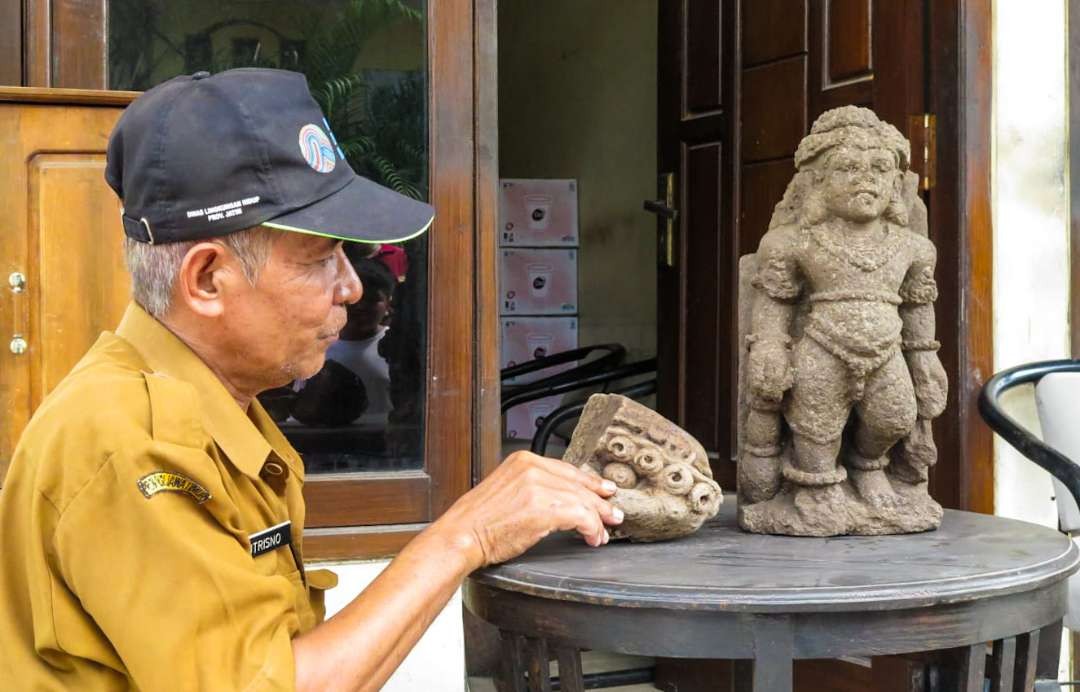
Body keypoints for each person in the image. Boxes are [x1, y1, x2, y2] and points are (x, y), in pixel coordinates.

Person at [0, 68, 622, 690]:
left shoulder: (215, 406)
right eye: (321, 259)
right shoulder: (126, 442)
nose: (351, 288)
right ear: (208, 279)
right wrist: (466, 535)